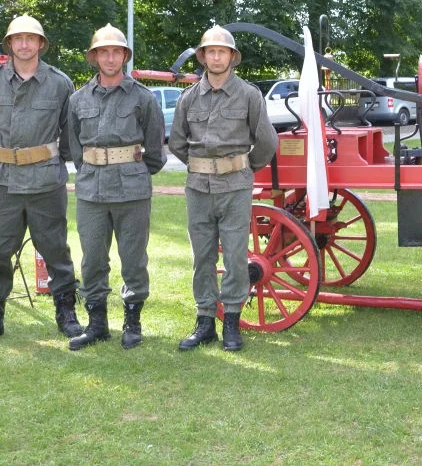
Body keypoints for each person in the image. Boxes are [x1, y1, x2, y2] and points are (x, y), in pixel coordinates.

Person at [0, 15, 83, 344]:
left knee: (56, 250)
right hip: (4, 182)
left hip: (46, 182)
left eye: (30, 39)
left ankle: (66, 311)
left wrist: (48, 160)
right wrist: (5, 158)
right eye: (17, 39)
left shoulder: (59, 83)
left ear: (41, 44)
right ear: (9, 44)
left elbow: (69, 133)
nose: (23, 44)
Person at [168, 26, 277, 352]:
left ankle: (231, 321)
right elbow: (176, 142)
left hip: (235, 187)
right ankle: (204, 322)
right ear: (203, 57)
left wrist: (242, 167)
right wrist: (204, 165)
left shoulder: (248, 95)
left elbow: (267, 141)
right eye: (210, 51)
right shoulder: (188, 98)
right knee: (202, 256)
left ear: (231, 57)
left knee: (234, 255)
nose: (216, 56)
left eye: (222, 51)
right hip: (199, 187)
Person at [66, 24, 167, 351]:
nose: (110, 58)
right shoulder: (78, 99)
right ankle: (97, 325)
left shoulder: (143, 98)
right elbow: (74, 149)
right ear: (95, 57)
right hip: (91, 191)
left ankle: (132, 322)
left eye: (116, 51)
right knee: (92, 258)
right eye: (103, 52)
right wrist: (94, 171)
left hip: (132, 191)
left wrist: (133, 172)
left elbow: (154, 151)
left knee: (133, 258)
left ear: (124, 55)